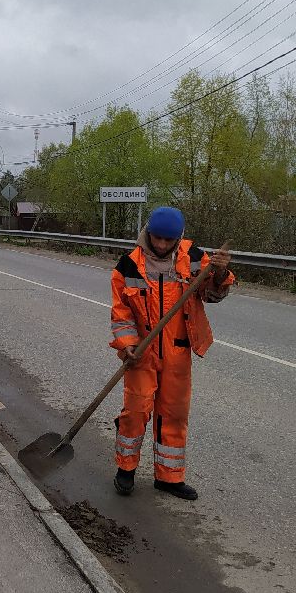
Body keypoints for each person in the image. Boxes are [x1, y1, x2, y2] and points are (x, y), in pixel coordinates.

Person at [110, 206, 234, 501]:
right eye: (157, 239)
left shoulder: (193, 258)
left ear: (178, 237)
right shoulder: (129, 265)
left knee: (174, 414)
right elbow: (121, 313)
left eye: (169, 240)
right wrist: (128, 344)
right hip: (142, 352)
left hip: (178, 351)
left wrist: (219, 272)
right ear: (148, 233)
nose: (162, 245)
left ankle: (169, 477)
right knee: (136, 412)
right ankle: (125, 469)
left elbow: (212, 294)